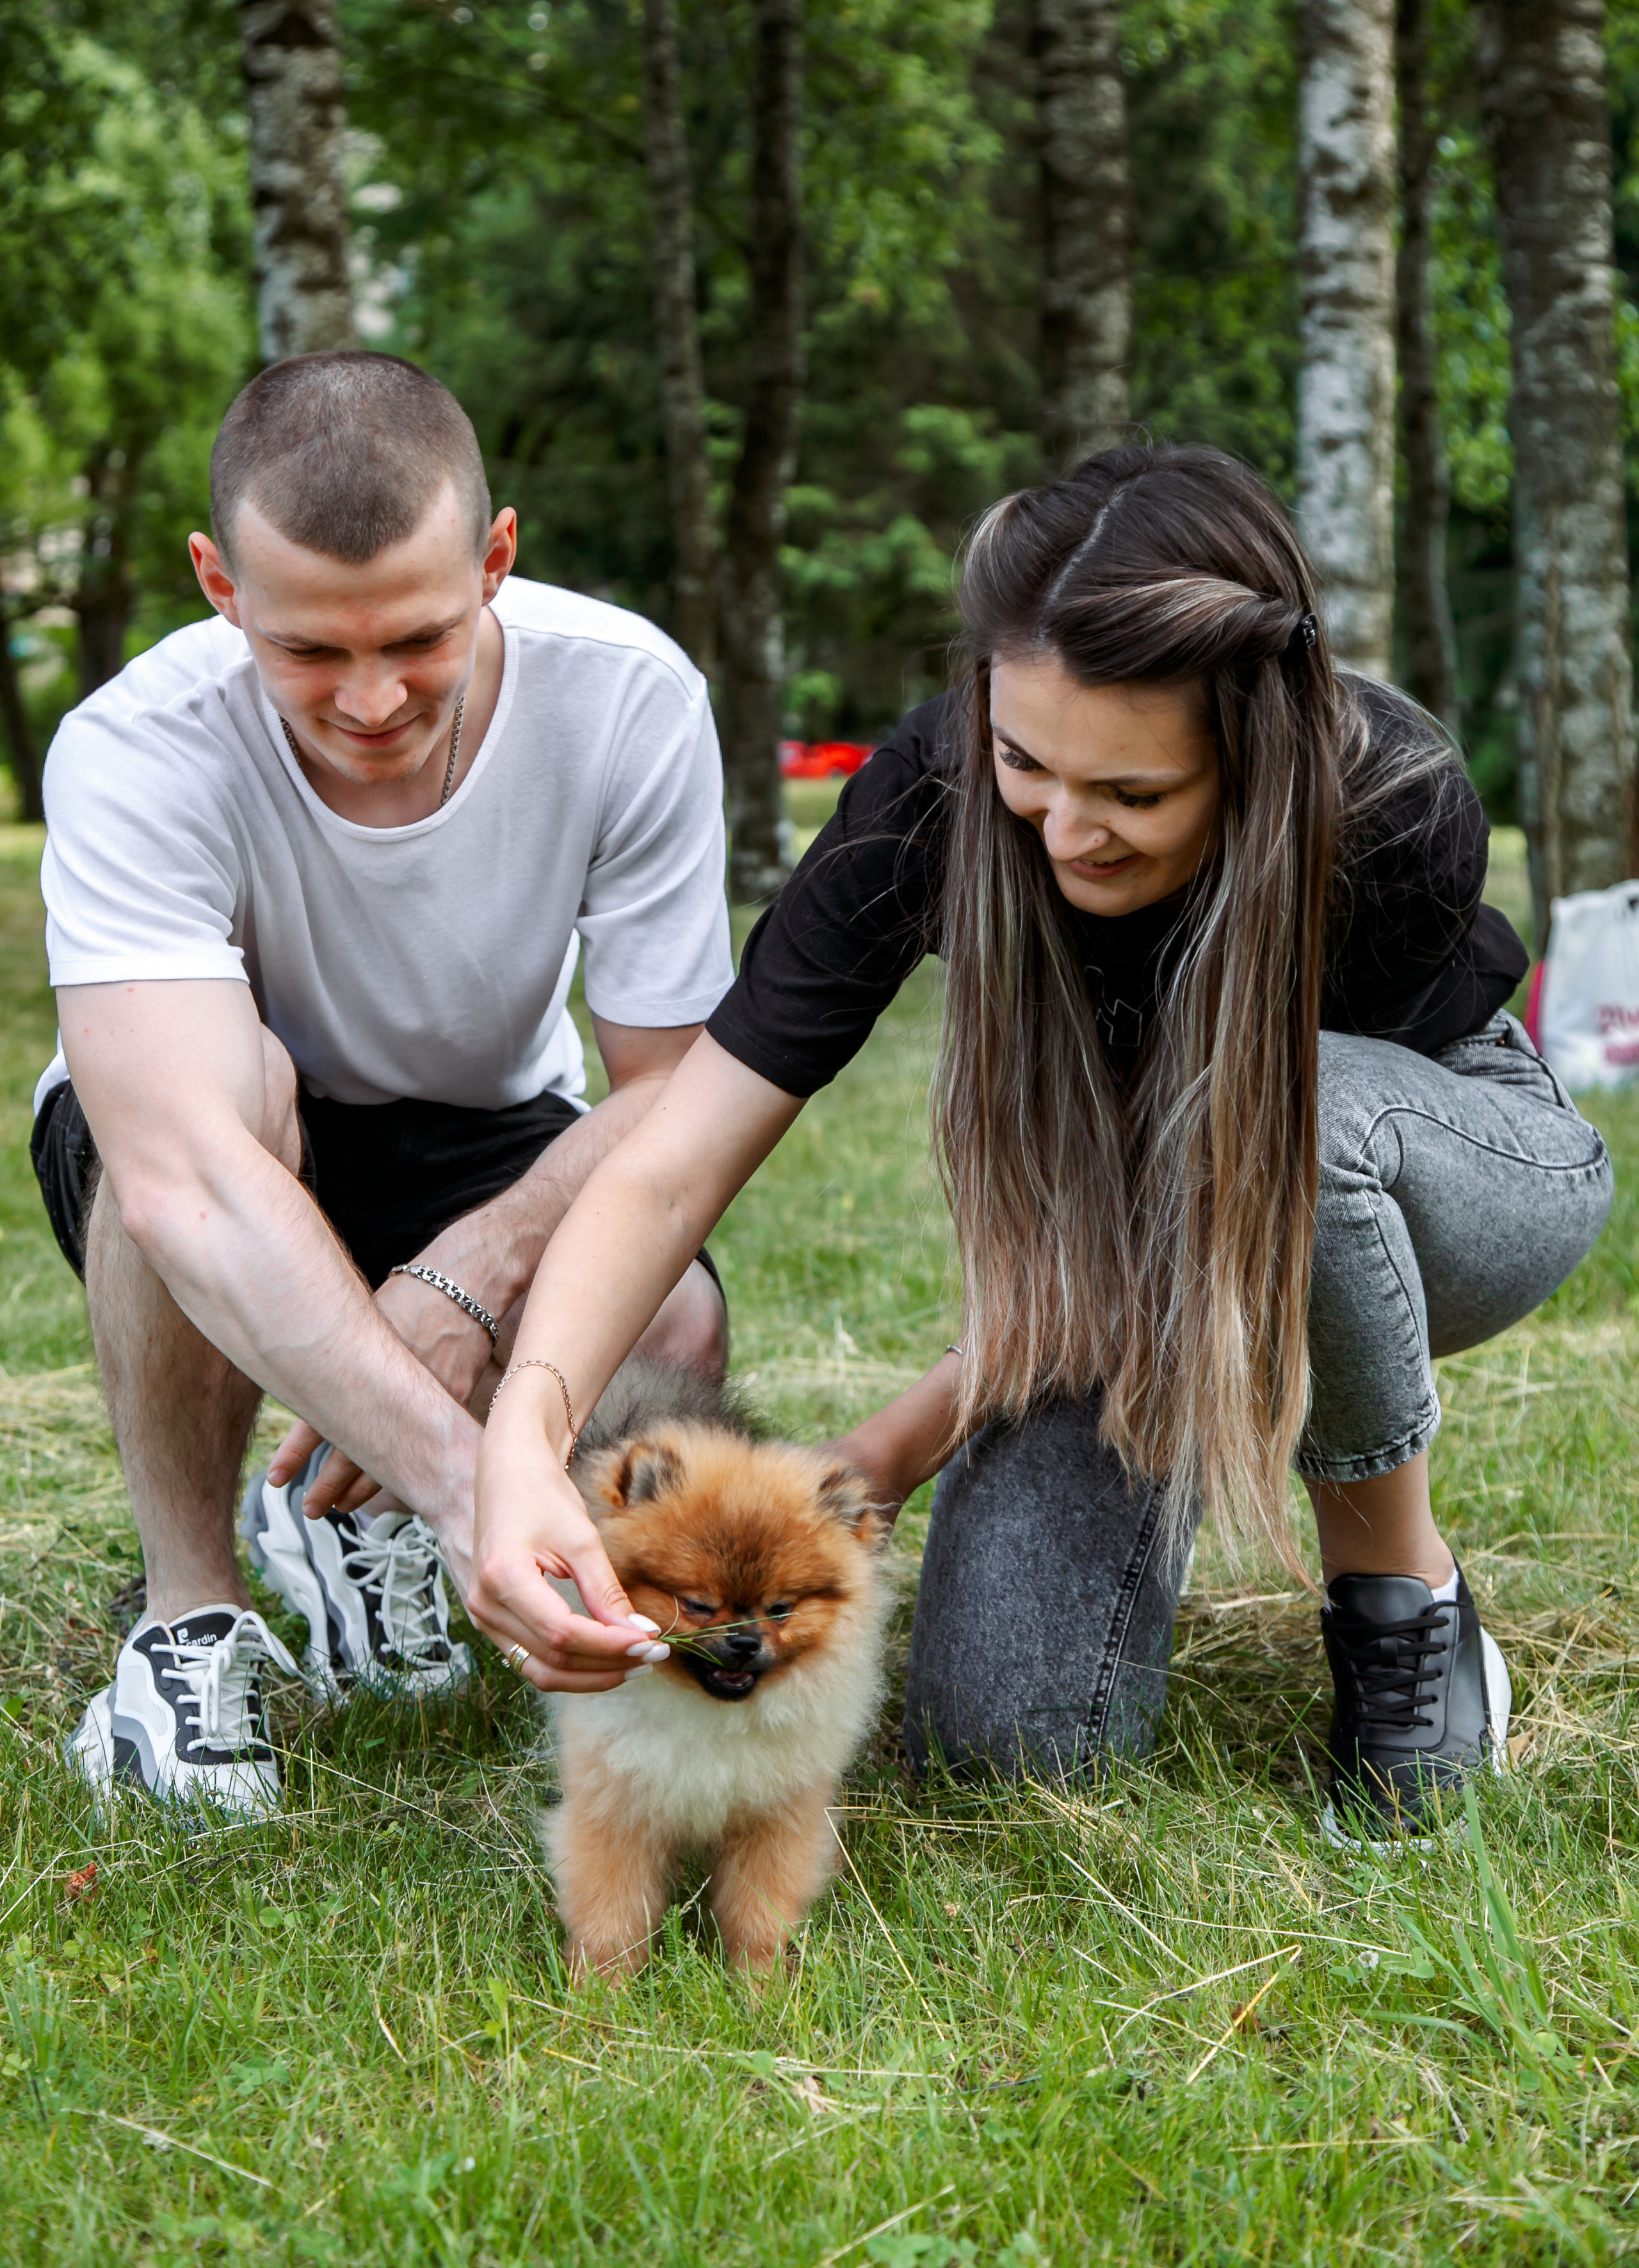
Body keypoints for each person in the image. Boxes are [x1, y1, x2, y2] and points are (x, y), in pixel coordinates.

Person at [462, 444, 1614, 1842]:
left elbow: (1254, 1188)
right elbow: (668, 1163)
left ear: (1249, 750)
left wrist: (891, 1439)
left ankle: (1400, 1608)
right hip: (1134, 1253)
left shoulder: (1386, 810)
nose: (1065, 829)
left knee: (1293, 1138)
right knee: (1005, 1746)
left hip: (1431, 1176)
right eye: (1024, 762)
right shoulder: (923, 809)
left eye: (1131, 795)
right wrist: (524, 1435)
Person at [36, 351, 729, 1816]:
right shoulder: (131, 748)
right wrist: (477, 1481)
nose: (366, 700)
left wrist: (478, 1267)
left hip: (481, 1127)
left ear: (495, 558)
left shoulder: (626, 697)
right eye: (306, 652)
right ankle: (188, 1622)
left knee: (673, 1308)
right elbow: (185, 1179)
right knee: (218, 1129)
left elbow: (680, 1094)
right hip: (222, 1135)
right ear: (220, 585)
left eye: (417, 638)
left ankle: (348, 1525)